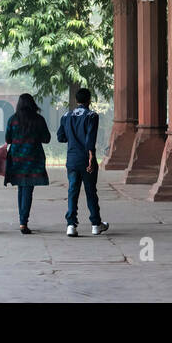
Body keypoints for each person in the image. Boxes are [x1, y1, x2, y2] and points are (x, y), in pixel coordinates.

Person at [57, 87, 108, 236]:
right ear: (89, 100)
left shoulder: (66, 116)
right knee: (91, 191)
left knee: (73, 191)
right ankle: (95, 224)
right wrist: (91, 158)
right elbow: (90, 139)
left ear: (76, 100)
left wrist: (72, 137)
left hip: (72, 159)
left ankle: (71, 225)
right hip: (86, 159)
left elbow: (61, 137)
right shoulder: (92, 116)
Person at [2, 93, 51, 234]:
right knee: (28, 189)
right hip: (33, 158)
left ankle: (22, 221)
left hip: (17, 158)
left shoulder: (13, 119)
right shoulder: (38, 119)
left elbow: (8, 139)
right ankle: (23, 222)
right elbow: (46, 138)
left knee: (21, 189)